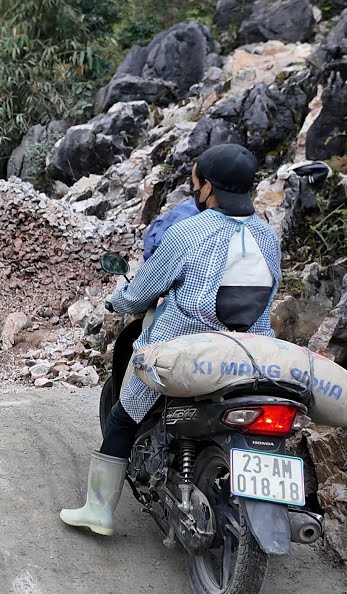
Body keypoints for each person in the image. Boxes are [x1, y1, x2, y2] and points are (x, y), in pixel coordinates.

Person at [60, 143, 280, 536]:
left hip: (183, 353)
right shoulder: (268, 237)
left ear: (208, 187)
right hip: (252, 355)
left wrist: (117, 299)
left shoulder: (189, 232)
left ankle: (98, 511)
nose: (195, 190)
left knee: (123, 417)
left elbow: (142, 291)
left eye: (196, 183)